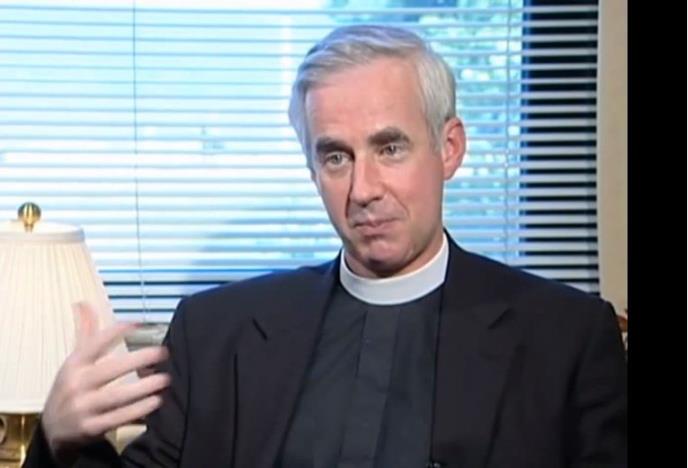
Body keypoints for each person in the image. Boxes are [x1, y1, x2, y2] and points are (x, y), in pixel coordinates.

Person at [24, 24, 627, 468]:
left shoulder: (566, 339)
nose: (363, 190)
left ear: (449, 149)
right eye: (336, 157)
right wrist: (58, 438)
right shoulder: (216, 334)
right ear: (312, 169)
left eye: (390, 148)